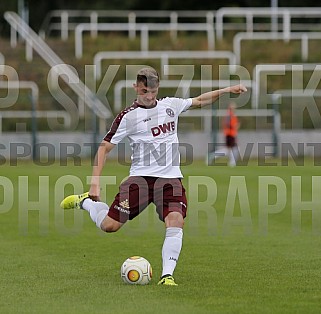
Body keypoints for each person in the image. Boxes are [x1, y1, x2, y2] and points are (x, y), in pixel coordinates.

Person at [60, 67, 247, 285]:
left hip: (170, 180)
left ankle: (167, 275)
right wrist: (95, 184)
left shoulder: (170, 106)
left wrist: (226, 90)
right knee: (109, 226)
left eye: (153, 91)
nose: (149, 96)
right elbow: (104, 148)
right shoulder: (128, 117)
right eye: (144, 91)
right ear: (135, 88)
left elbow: (199, 100)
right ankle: (87, 204)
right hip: (140, 180)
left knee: (176, 220)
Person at [207, 102, 240, 167]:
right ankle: (232, 163)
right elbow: (228, 125)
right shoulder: (229, 115)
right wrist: (235, 126)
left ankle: (212, 156)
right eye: (233, 107)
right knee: (233, 149)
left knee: (229, 150)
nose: (234, 108)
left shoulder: (231, 115)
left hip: (231, 134)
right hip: (230, 134)